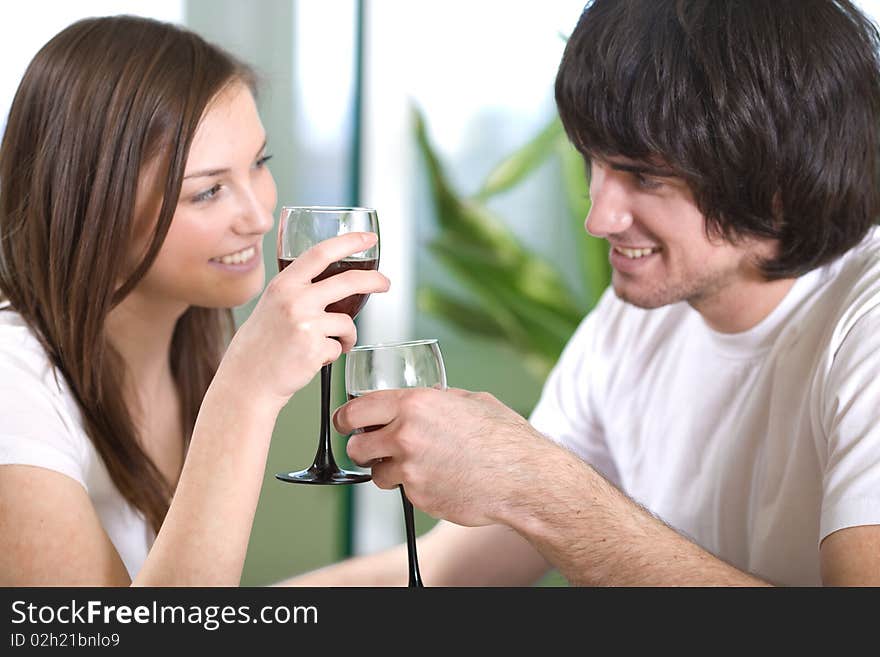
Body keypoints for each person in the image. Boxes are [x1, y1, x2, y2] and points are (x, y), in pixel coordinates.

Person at [291, 0, 880, 586]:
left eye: (644, 177)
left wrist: (537, 484)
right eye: (592, 162)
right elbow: (454, 572)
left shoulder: (865, 323)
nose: (598, 219)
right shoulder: (637, 320)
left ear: (777, 175)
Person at [0, 15, 389, 585]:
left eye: (259, 163)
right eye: (206, 191)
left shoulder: (182, 341)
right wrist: (246, 392)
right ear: (92, 206)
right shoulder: (12, 379)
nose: (259, 218)